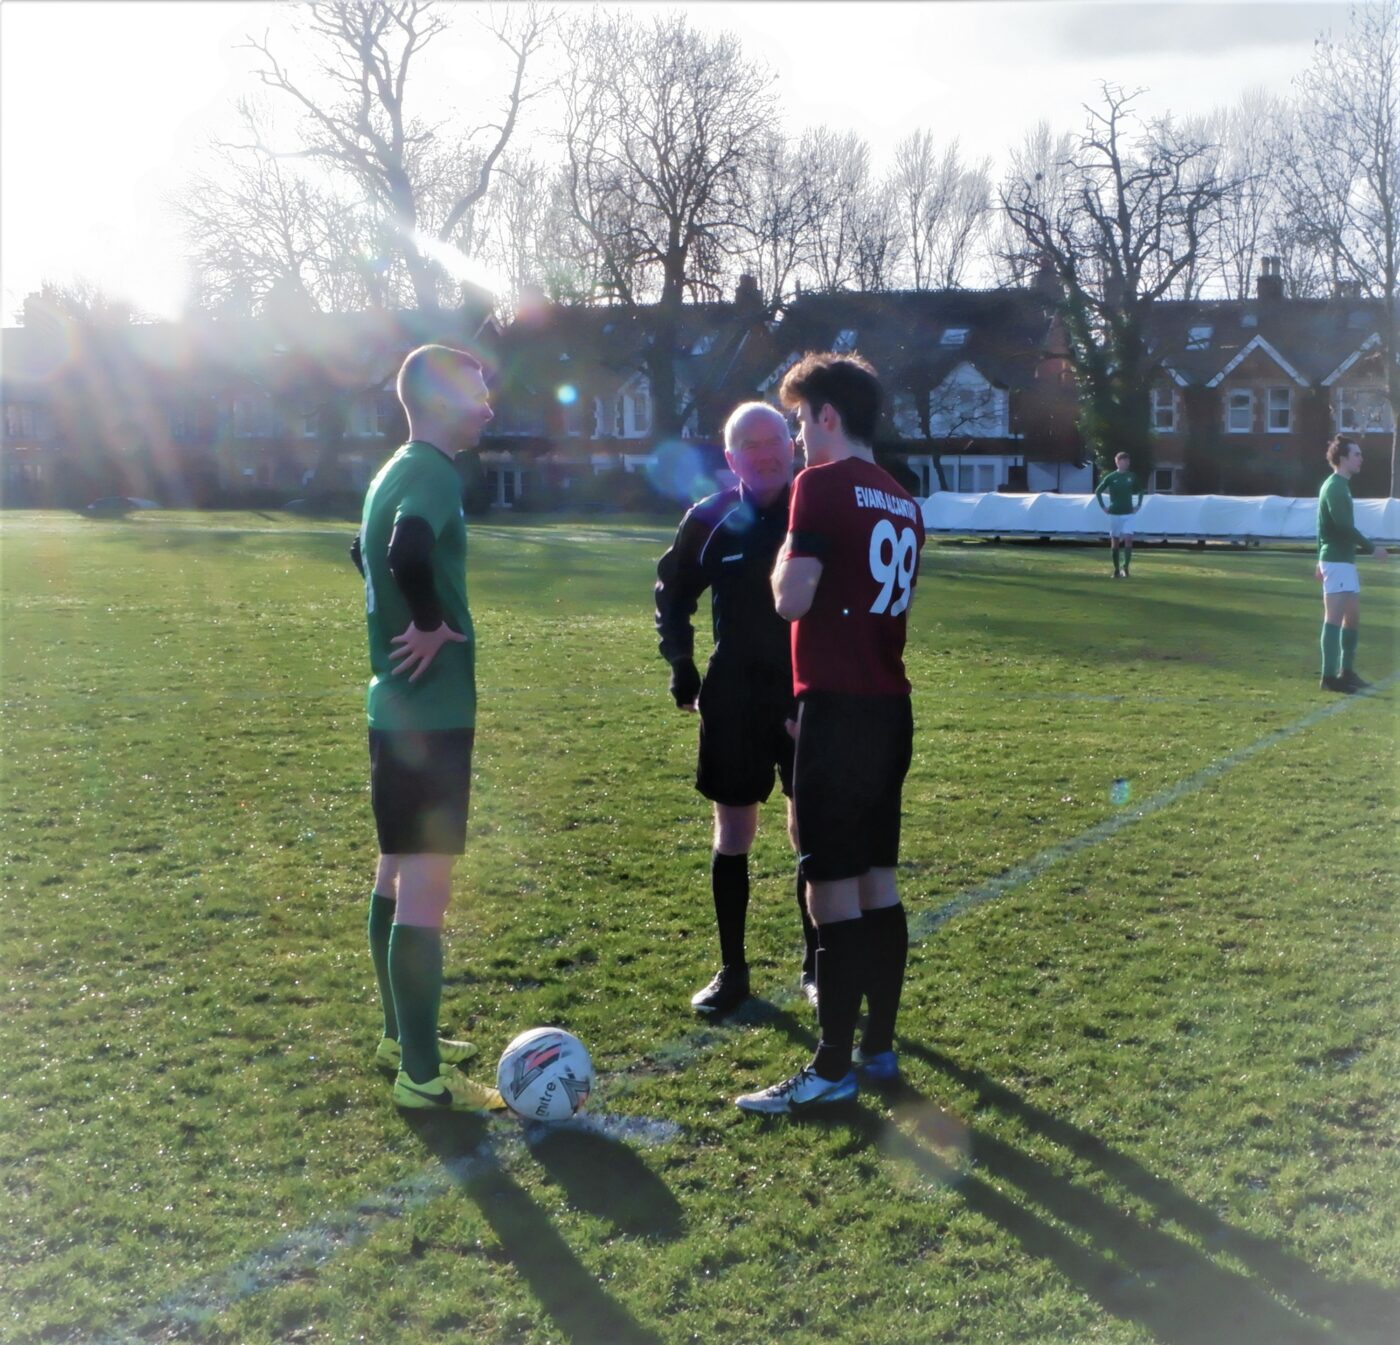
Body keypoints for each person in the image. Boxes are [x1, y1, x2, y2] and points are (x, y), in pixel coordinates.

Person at [736, 352, 925, 1115]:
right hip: (890, 708)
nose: (798, 439)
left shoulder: (819, 485)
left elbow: (792, 598)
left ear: (828, 416)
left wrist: (784, 551)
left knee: (829, 890)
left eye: (799, 421)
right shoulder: (906, 500)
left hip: (838, 710)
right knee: (877, 881)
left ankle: (830, 1064)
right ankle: (877, 1046)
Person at [350, 344, 505, 1112]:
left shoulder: (393, 468)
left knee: (395, 868)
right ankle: (422, 1078)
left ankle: (399, 1036)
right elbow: (405, 550)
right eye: (478, 393)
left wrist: (400, 624)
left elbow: (363, 552)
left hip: (393, 706)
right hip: (433, 711)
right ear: (442, 401)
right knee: (426, 888)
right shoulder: (436, 472)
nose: (489, 407)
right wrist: (433, 623)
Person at [655, 402, 819, 1016]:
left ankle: (816, 964)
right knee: (734, 831)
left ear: (792, 444)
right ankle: (733, 970)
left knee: (811, 830)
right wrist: (683, 667)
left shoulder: (818, 506)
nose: (766, 451)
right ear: (731, 459)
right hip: (734, 692)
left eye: (775, 438)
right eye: (749, 444)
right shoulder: (710, 518)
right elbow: (671, 594)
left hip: (808, 691)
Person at [1316, 435, 1388, 693]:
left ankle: (1346, 672)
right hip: (1337, 561)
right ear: (1343, 458)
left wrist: (1317, 558)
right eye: (1356, 454)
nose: (1361, 459)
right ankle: (1329, 678)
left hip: (1343, 561)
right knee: (1334, 619)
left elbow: (1321, 525)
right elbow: (1343, 527)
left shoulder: (1341, 486)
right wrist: (1372, 548)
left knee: (1352, 618)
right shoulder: (1334, 487)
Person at [1094, 451, 1144, 578]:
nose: (1127, 463)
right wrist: (1103, 507)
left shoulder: (1132, 476)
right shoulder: (1111, 477)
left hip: (1128, 513)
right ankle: (1116, 569)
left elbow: (1140, 491)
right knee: (1115, 540)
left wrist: (1138, 505)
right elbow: (1098, 491)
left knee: (1128, 539)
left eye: (1128, 461)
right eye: (1124, 461)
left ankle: (1126, 568)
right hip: (1115, 513)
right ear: (1117, 462)